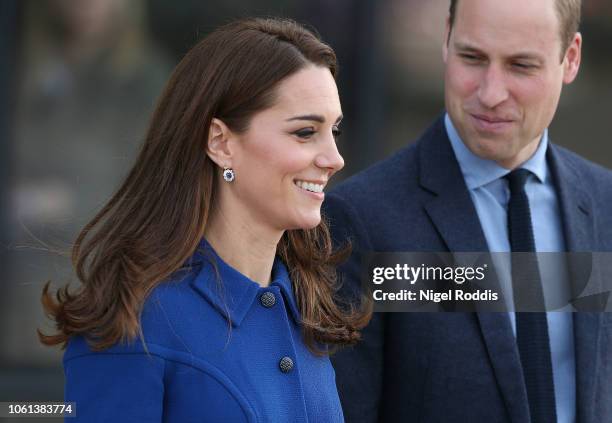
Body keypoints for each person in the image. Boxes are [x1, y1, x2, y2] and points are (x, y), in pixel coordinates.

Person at [38, 17, 370, 422]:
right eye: (305, 132)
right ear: (220, 142)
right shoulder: (136, 324)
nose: (334, 159)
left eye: (334, 130)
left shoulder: (308, 309)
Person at [324, 0, 612, 422]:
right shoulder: (363, 219)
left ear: (570, 59)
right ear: (446, 40)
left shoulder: (604, 203)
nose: (491, 93)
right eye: (472, 58)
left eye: (521, 66)